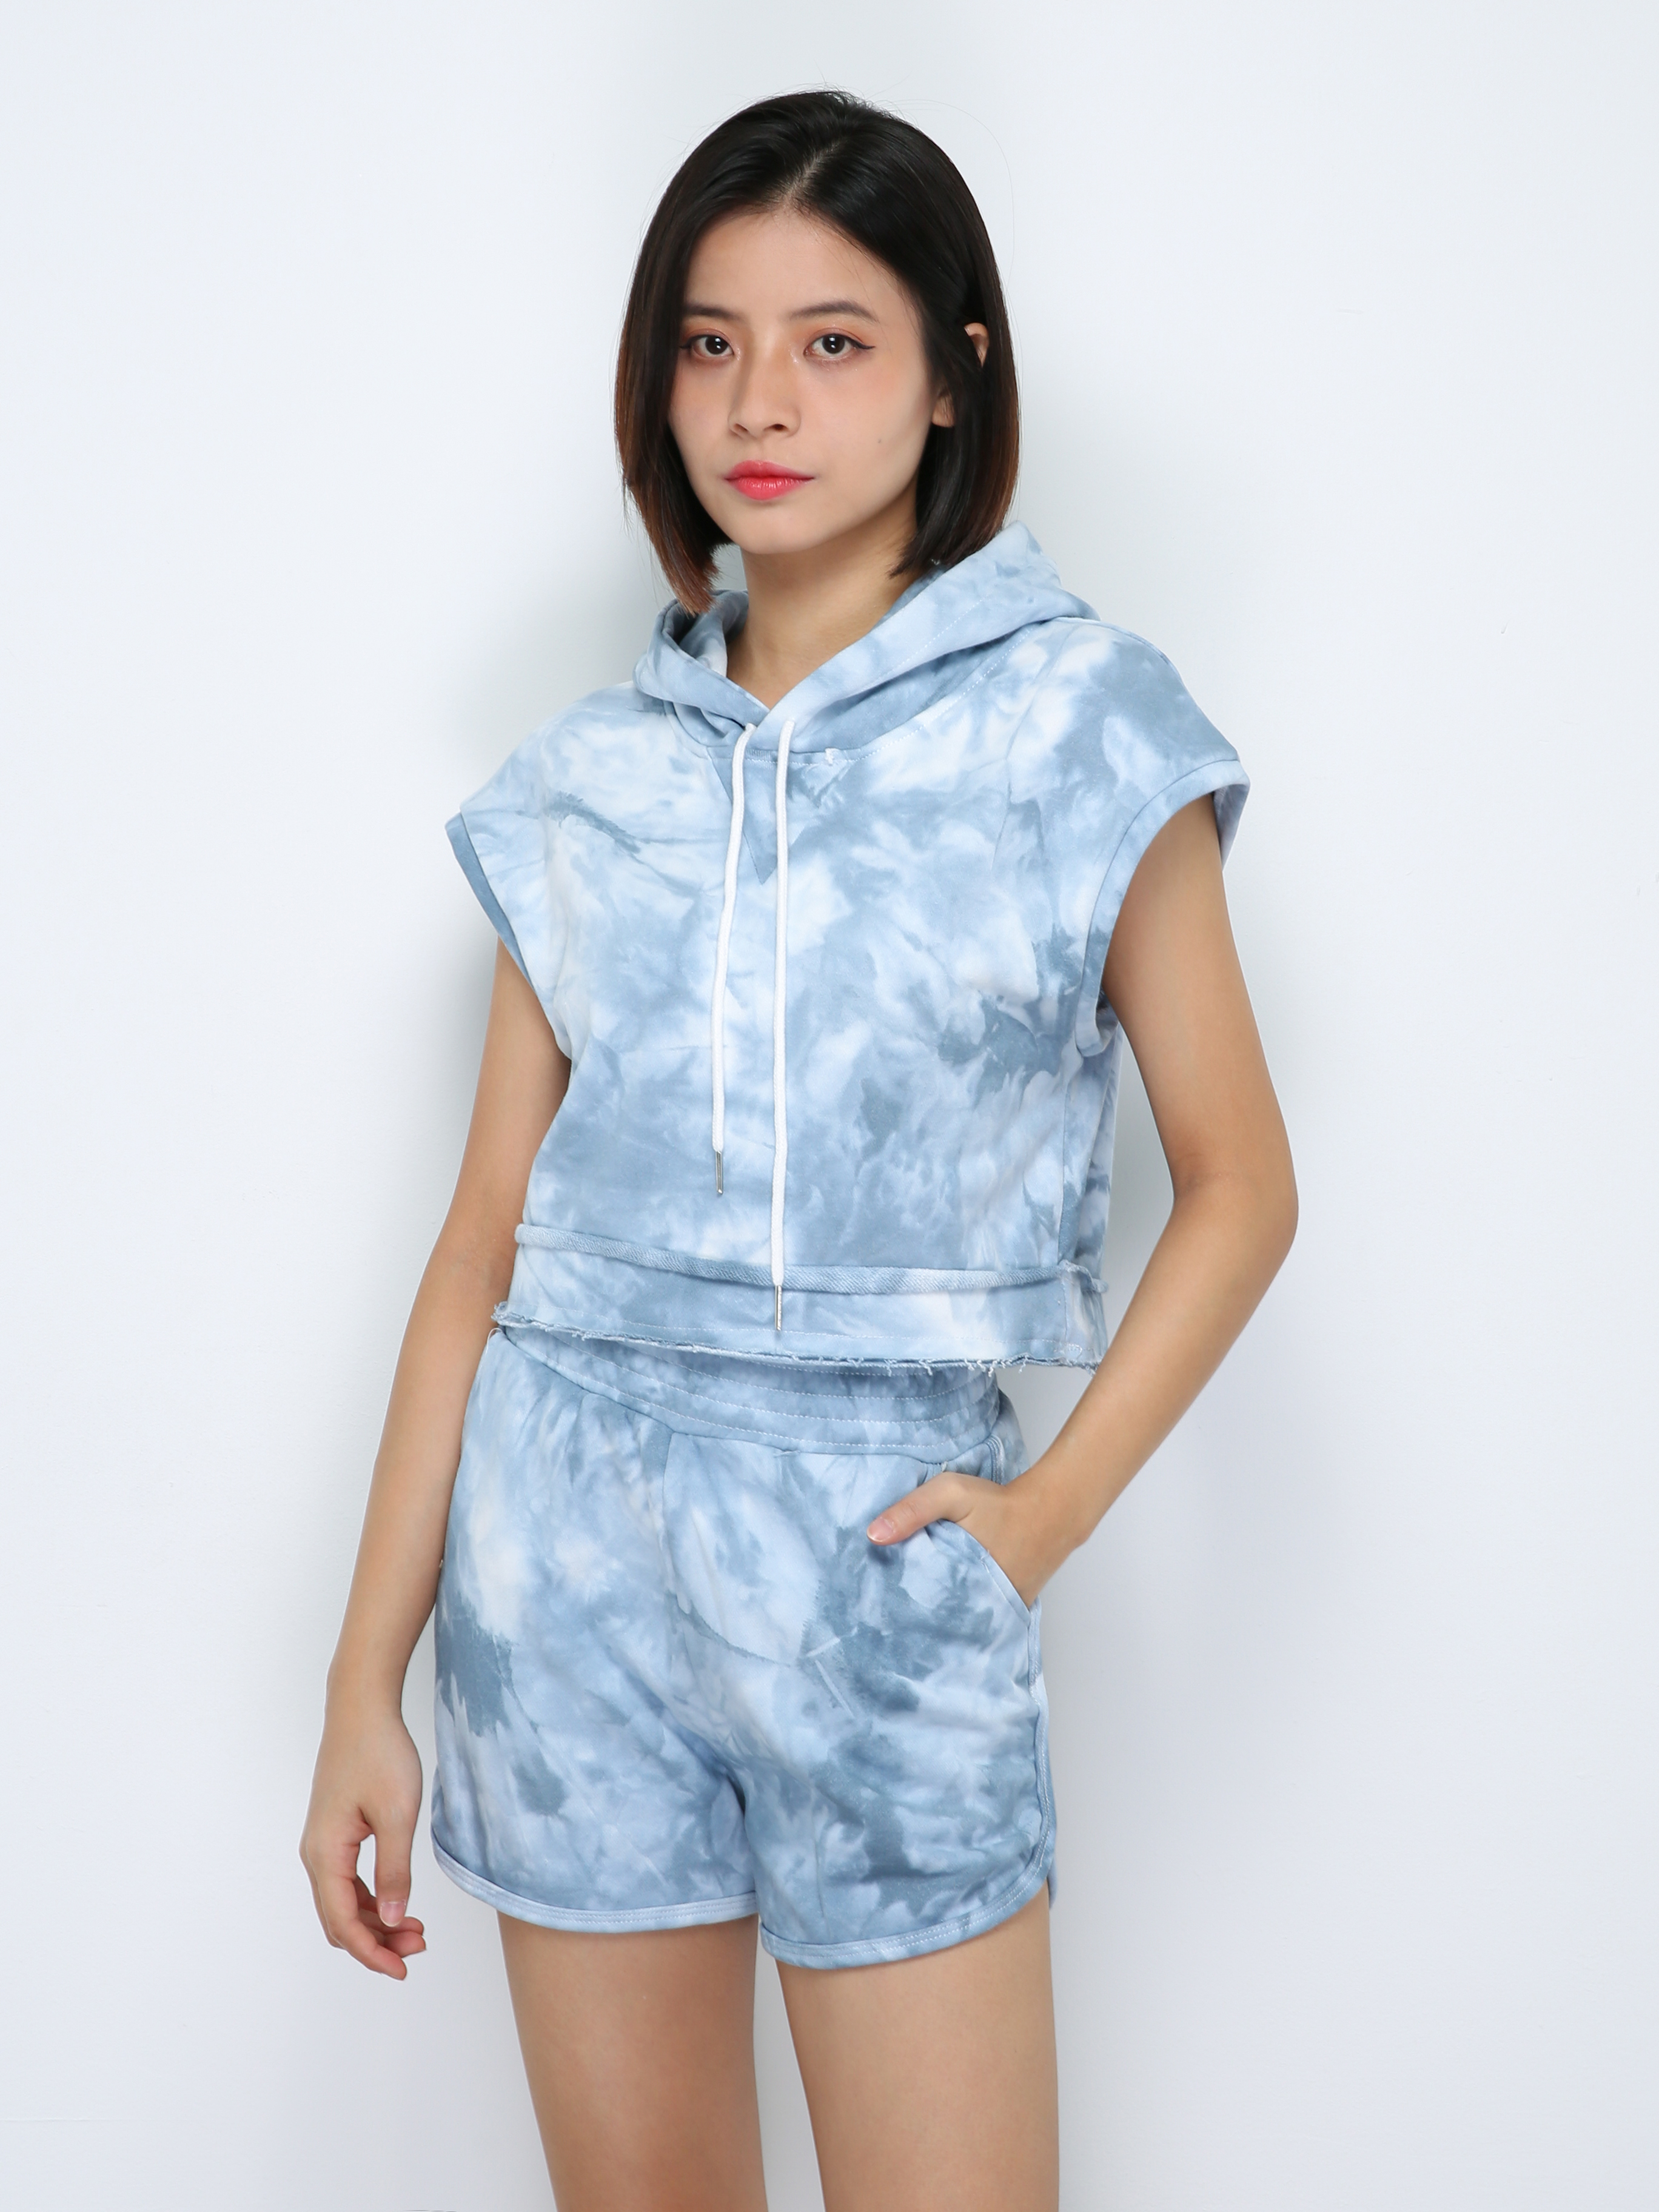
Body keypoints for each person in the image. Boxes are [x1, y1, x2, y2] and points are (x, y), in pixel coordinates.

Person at [300, 87, 1297, 2212]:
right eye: (710, 341)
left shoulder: (1084, 725)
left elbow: (1241, 1183)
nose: (759, 402)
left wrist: (1034, 1528)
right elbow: (479, 1248)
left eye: (834, 341)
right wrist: (363, 1679)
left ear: (953, 376)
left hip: (884, 1565)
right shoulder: (584, 783)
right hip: (558, 1577)